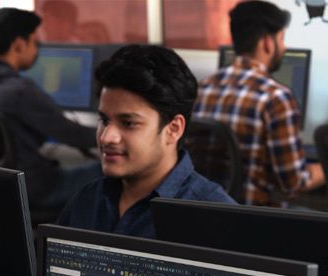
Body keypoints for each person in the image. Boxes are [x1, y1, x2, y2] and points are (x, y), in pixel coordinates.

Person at [57, 44, 234, 239]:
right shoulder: (88, 200)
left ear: (173, 129)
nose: (106, 137)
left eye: (129, 123)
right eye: (104, 120)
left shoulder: (216, 219)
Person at [194, 0, 323, 206]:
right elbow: (293, 184)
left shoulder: (201, 89)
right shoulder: (275, 98)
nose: (284, 47)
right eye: (282, 39)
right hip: (254, 222)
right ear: (267, 42)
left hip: (204, 216)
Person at [0, 7, 100, 209]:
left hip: (0, 188)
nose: (37, 50)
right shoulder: (19, 91)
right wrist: (114, 133)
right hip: (37, 189)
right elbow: (72, 133)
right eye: (34, 42)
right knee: (107, 171)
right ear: (19, 45)